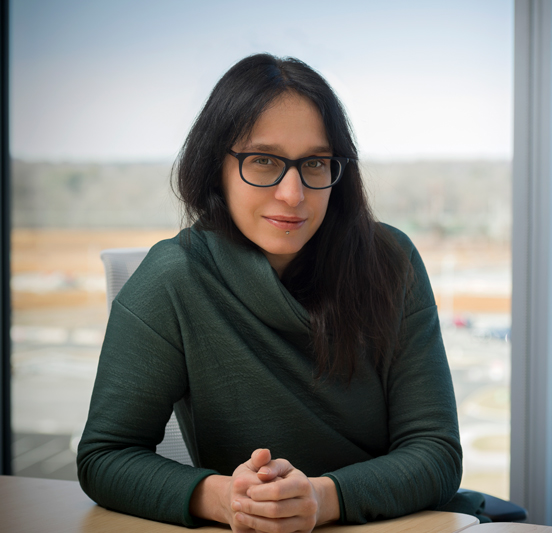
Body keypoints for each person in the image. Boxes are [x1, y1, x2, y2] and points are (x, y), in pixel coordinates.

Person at [77, 53, 483, 531]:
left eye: (314, 163)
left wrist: (320, 497)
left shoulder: (390, 260)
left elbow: (435, 452)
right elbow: (105, 456)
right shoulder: (173, 277)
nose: (293, 193)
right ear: (215, 167)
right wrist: (222, 497)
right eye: (264, 160)